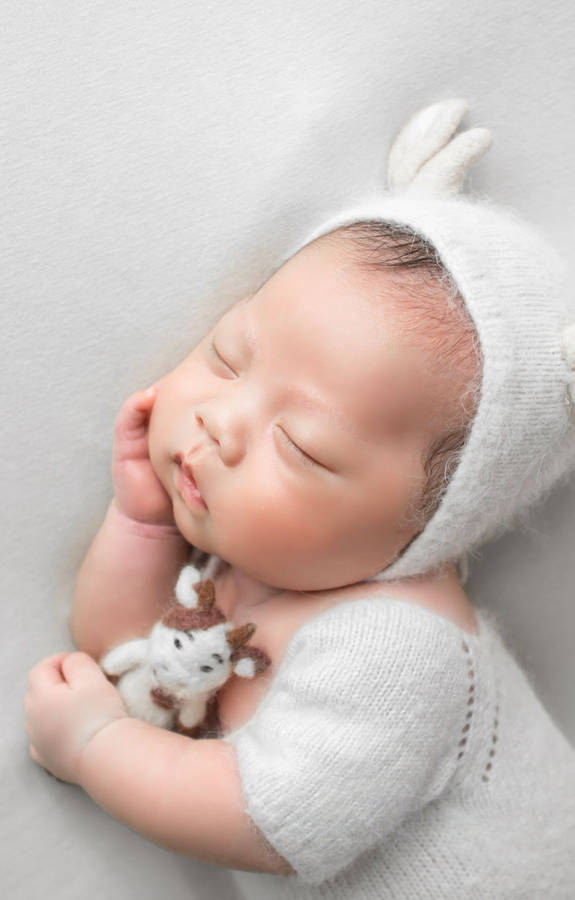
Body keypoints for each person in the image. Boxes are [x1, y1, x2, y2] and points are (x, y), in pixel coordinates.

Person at [24, 99, 575, 898]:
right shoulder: (267, 552)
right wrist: (141, 521)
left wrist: (96, 748)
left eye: (302, 445)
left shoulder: (400, 652)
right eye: (227, 355)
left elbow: (264, 820)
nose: (219, 424)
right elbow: (128, 649)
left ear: (432, 525)